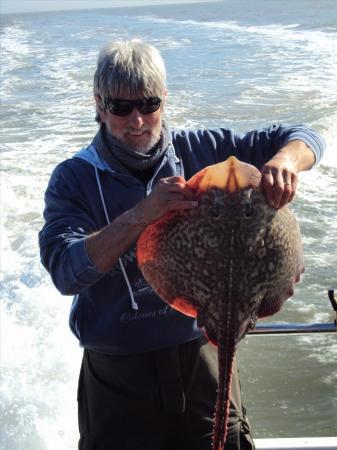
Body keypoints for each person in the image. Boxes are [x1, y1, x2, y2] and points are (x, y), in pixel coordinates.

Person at [39, 39, 325, 450]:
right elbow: (66, 271)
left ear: (164, 100)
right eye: (121, 107)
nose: (136, 120)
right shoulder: (73, 179)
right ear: (99, 105)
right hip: (120, 377)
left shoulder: (204, 151)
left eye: (149, 104)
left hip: (202, 356)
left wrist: (287, 162)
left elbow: (304, 135)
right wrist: (144, 213)